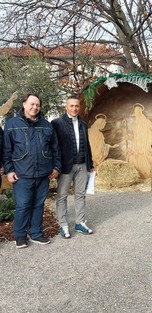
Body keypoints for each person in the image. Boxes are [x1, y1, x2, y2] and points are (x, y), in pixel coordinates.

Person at [3, 93, 61, 248]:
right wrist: (9, 171)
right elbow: (7, 150)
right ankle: (20, 235)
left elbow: (55, 149)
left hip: (43, 174)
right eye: (31, 104)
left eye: (37, 105)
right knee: (23, 205)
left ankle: (36, 233)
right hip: (22, 175)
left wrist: (56, 167)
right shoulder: (12, 124)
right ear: (24, 104)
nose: (35, 107)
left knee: (39, 204)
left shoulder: (47, 125)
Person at [51, 95, 94, 238]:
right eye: (72, 106)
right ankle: (63, 224)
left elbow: (87, 145)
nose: (74, 108)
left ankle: (79, 222)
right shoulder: (57, 123)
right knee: (62, 196)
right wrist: (55, 166)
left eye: (77, 106)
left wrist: (91, 164)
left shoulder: (83, 124)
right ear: (66, 107)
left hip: (82, 164)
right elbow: (53, 146)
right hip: (65, 166)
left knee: (80, 195)